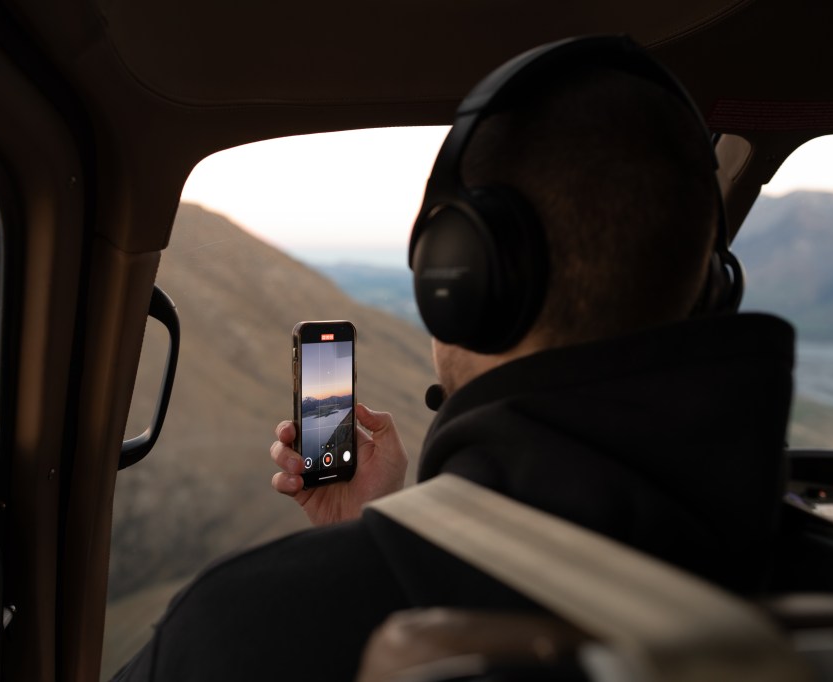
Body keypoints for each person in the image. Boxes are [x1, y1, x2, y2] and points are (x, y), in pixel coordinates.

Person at [136, 37, 793, 682]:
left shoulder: (249, 628)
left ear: (460, 278)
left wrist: (366, 557)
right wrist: (377, 529)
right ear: (711, 290)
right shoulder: (798, 568)